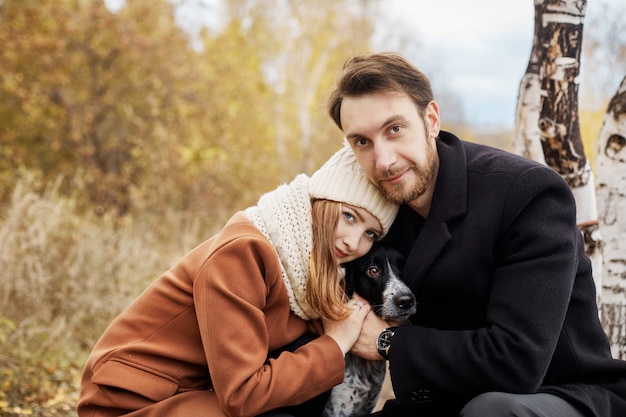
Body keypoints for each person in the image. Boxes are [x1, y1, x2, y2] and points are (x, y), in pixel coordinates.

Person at [325, 52, 626, 417]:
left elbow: (518, 361)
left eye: (394, 130)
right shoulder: (376, 214)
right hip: (448, 400)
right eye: (362, 142)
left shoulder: (529, 194)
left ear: (431, 120)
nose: (383, 159)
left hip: (560, 395)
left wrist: (389, 342)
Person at [77, 145, 399, 417]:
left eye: (370, 233)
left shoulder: (310, 269)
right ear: (322, 202)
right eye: (349, 216)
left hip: (198, 391)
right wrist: (336, 343)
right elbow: (243, 394)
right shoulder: (245, 252)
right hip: (131, 401)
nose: (353, 243)